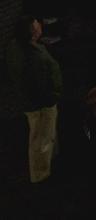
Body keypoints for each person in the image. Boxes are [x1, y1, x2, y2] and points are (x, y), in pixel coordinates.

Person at [8, 18, 62, 182]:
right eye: (37, 26)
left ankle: (49, 162)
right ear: (31, 33)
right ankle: (41, 174)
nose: (40, 27)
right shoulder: (33, 57)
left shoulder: (15, 47)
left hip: (32, 100)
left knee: (43, 134)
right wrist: (51, 97)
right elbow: (38, 83)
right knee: (42, 139)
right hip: (41, 103)